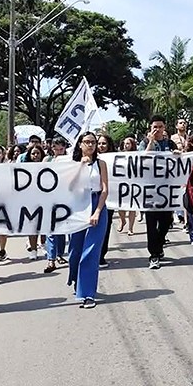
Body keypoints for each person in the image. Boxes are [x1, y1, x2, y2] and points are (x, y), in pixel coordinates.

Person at [67, 132, 109, 308]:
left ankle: (87, 293)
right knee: (75, 249)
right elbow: (68, 187)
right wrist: (79, 168)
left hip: (96, 203)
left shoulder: (101, 164)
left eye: (94, 142)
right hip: (77, 206)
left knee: (91, 252)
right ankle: (77, 279)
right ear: (80, 145)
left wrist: (97, 211)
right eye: (87, 142)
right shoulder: (73, 165)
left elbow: (105, 189)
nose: (91, 145)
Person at [139, 116, 178, 270]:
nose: (158, 129)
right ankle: (154, 255)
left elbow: (179, 159)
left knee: (166, 221)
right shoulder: (144, 143)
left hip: (166, 191)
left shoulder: (169, 143)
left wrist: (177, 154)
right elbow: (142, 159)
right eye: (155, 126)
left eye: (160, 126)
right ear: (150, 127)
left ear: (165, 127)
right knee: (150, 224)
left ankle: (159, 244)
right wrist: (150, 142)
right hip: (150, 191)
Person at [44, 136, 69, 272]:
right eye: (56, 148)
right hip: (50, 198)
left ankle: (59, 254)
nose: (59, 151)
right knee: (51, 229)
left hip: (66, 199)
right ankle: (51, 260)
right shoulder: (47, 160)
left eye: (61, 148)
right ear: (52, 148)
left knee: (62, 230)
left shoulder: (70, 160)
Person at [22, 144, 46, 260]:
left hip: (44, 198)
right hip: (29, 199)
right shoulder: (23, 168)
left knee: (44, 224)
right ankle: (33, 249)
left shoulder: (47, 166)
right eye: (33, 153)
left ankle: (44, 244)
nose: (35, 155)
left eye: (37, 153)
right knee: (32, 225)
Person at [97, 134, 116, 267]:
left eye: (104, 143)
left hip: (110, 199)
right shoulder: (91, 159)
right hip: (92, 198)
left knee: (105, 227)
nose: (101, 146)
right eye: (99, 143)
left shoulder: (116, 159)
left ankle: (101, 255)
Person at [117, 137, 137, 235]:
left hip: (133, 183)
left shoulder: (138, 155)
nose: (126, 145)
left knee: (132, 207)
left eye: (128, 143)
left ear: (132, 144)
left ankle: (130, 228)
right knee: (121, 206)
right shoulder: (119, 155)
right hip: (122, 183)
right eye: (125, 143)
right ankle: (122, 220)